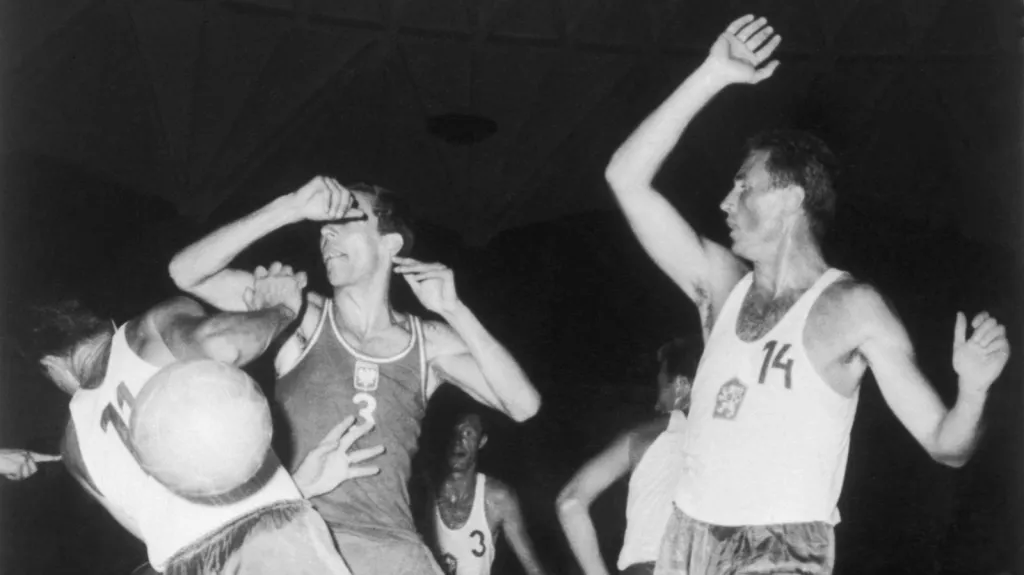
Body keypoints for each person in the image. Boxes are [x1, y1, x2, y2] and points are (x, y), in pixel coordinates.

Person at [604, 14, 1011, 575]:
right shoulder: (721, 285)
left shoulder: (852, 308)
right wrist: (712, 75)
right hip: (687, 537)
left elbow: (948, 446)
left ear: (791, 199)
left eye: (743, 186)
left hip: (779, 549)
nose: (726, 202)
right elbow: (625, 177)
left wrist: (974, 390)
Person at [169, 177, 541, 575]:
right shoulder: (300, 313)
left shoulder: (428, 341)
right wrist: (290, 207)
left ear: (390, 242)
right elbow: (186, 273)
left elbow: (523, 404)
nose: (326, 232)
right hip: (305, 542)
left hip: (394, 553)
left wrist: (455, 310)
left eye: (345, 219)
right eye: (323, 227)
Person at [31, 263, 382, 574]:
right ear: (106, 322)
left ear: (52, 365)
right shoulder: (148, 331)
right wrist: (282, 308)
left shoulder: (73, 444)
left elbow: (157, 530)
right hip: (268, 544)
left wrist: (298, 484)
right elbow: (226, 344)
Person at [557, 338, 700, 575]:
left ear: (682, 386)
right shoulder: (730, 443)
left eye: (662, 388)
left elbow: (569, 503)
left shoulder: (641, 437)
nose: (657, 403)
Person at [427, 412, 547, 575]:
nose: (459, 441)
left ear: (481, 441)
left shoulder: (497, 498)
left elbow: (533, 568)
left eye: (468, 433)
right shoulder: (426, 492)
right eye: (454, 432)